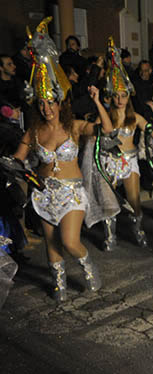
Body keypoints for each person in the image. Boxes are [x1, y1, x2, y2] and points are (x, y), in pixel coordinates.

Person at [13, 18, 113, 301]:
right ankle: (59, 281)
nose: (46, 108)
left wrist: (96, 101)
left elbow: (106, 129)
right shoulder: (34, 130)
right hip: (44, 193)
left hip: (72, 192)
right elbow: (18, 159)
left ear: (59, 101)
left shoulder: (74, 126)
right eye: (41, 103)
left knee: (69, 241)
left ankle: (87, 266)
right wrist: (16, 166)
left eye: (50, 102)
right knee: (51, 242)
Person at [92, 38, 153, 250]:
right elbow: (91, 134)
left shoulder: (136, 117)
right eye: (116, 96)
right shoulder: (105, 117)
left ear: (128, 96)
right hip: (108, 162)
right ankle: (110, 236)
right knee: (109, 203)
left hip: (129, 162)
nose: (120, 99)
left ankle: (138, 230)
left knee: (134, 201)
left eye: (123, 95)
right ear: (111, 97)